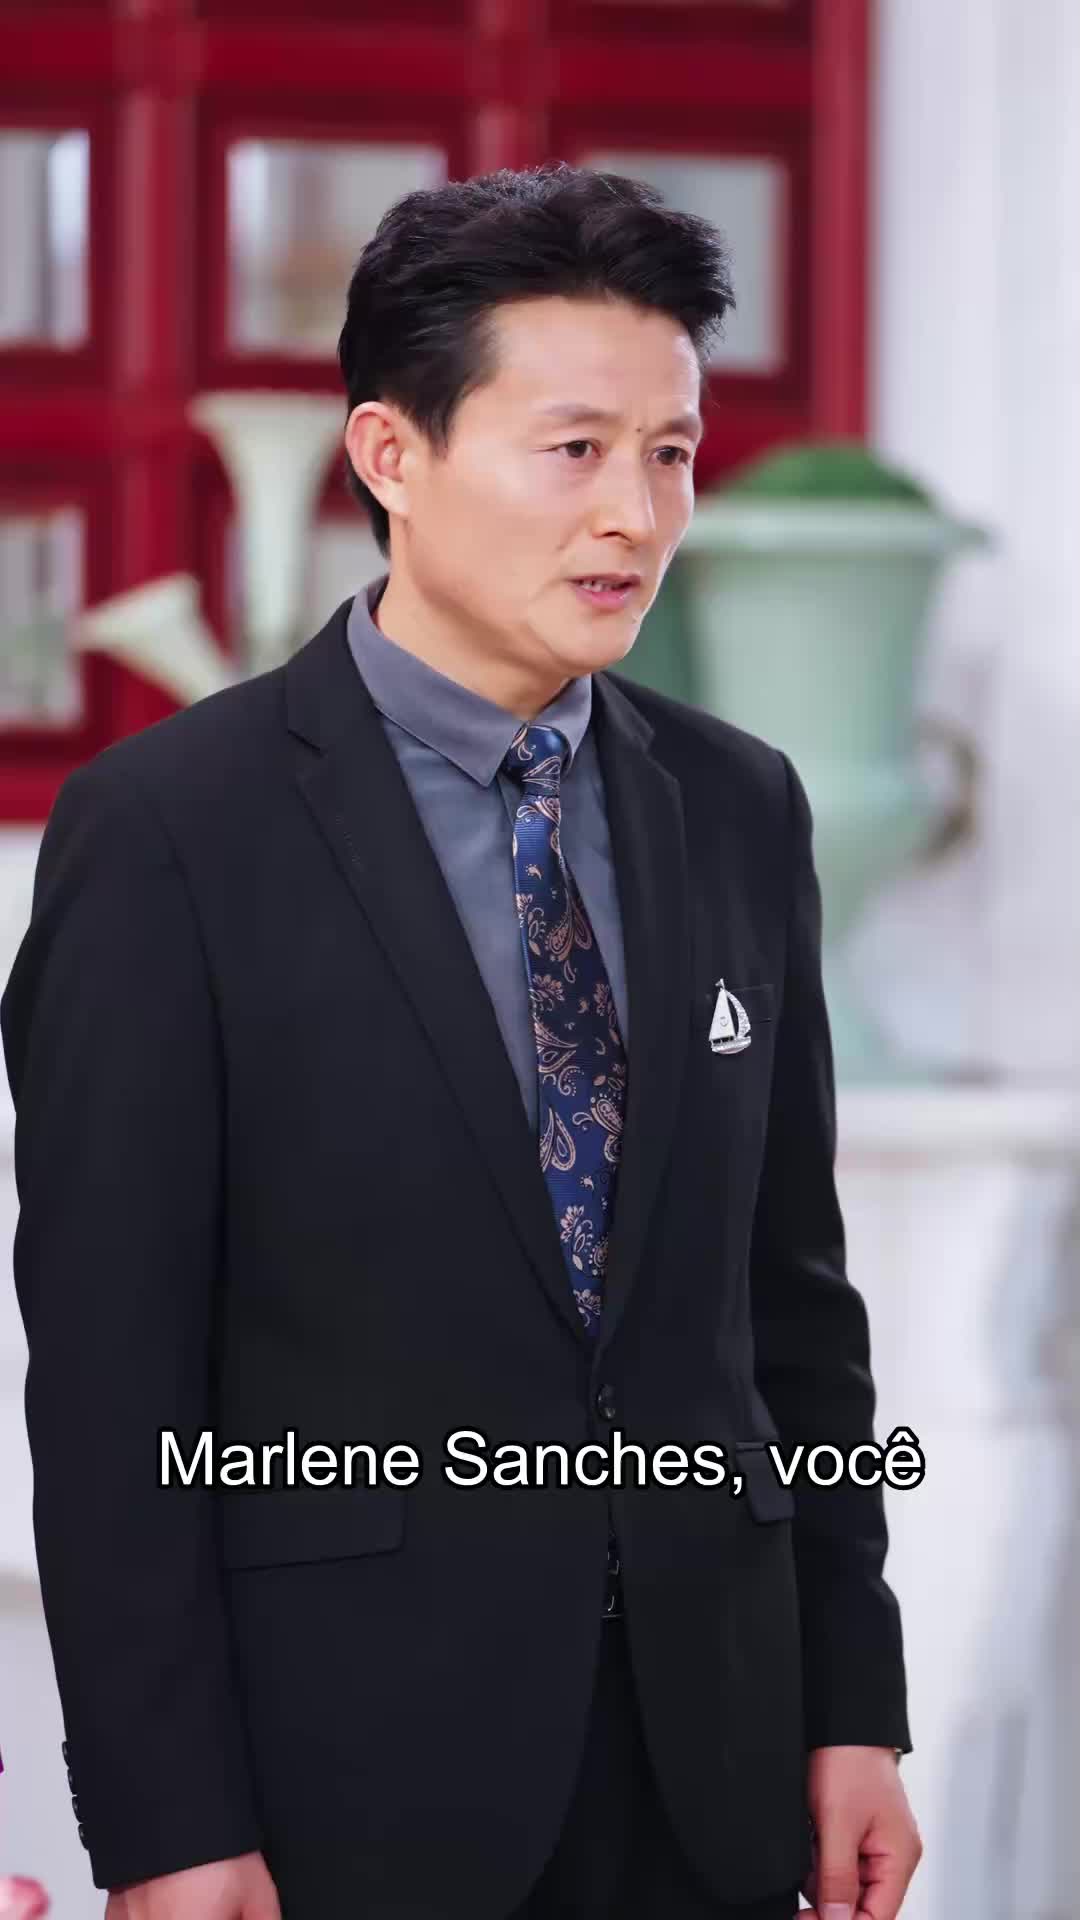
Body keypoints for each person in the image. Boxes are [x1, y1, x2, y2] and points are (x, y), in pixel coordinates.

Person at [1, 162, 922, 1920]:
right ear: (390, 455)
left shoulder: (738, 807)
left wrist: (852, 1704)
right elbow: (112, 1391)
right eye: (575, 449)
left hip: (715, 1776)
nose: (636, 514)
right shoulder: (172, 832)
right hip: (344, 1789)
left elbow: (793, 1308)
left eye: (670, 452)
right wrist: (167, 1825)